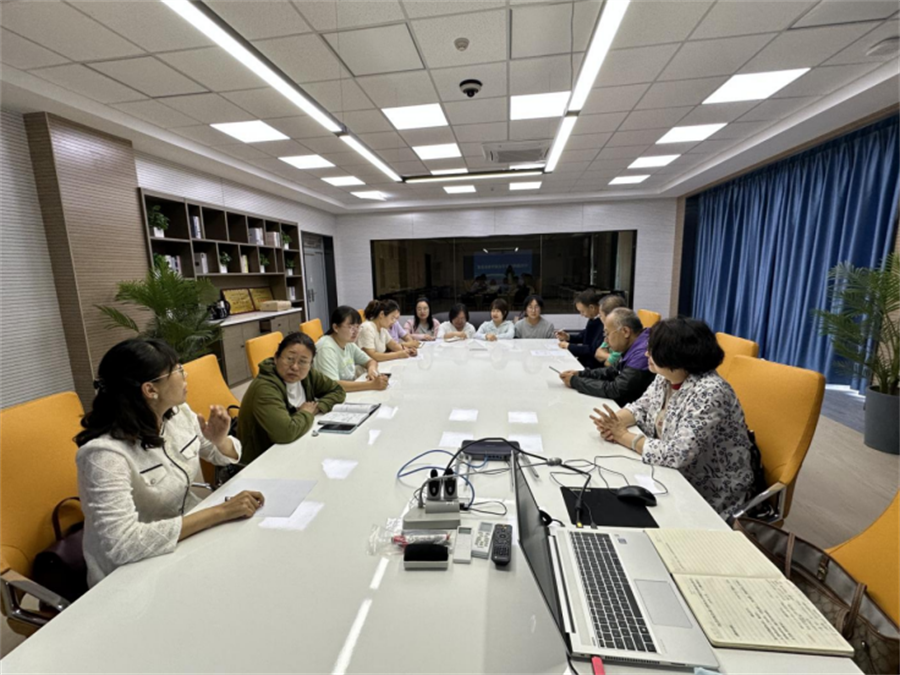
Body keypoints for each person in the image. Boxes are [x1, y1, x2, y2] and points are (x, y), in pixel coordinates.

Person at [75, 338, 263, 586]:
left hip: (187, 540)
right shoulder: (104, 455)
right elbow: (123, 544)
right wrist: (221, 512)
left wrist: (219, 440)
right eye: (178, 370)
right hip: (133, 575)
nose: (186, 376)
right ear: (150, 390)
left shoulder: (178, 413)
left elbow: (220, 455)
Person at [590, 317, 754, 518]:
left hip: (707, 491)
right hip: (669, 476)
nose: (646, 354)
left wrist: (622, 435)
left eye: (653, 350)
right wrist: (612, 423)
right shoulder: (666, 376)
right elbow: (642, 407)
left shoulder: (710, 392)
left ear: (676, 356)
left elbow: (677, 454)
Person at [238, 332, 346, 464]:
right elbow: (285, 432)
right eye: (289, 359)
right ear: (276, 358)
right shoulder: (264, 388)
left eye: (303, 362)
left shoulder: (308, 375)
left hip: (297, 448)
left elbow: (338, 391)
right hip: (261, 461)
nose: (295, 367)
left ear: (310, 364)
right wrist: (306, 413)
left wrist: (316, 408)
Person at [559, 308, 654, 406]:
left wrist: (575, 382)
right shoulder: (635, 343)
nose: (606, 339)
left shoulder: (642, 353)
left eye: (607, 333)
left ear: (625, 331)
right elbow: (612, 371)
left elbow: (616, 390)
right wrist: (581, 374)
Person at [314, 305, 388, 393]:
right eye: (351, 327)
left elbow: (370, 361)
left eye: (357, 327)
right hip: (330, 397)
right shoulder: (325, 348)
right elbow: (333, 385)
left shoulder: (348, 343)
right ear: (336, 327)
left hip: (347, 393)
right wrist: (371, 385)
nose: (355, 331)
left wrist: (371, 369)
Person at [556, 289, 605, 369]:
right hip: (585, 361)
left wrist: (569, 346)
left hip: (593, 366)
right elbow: (585, 335)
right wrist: (568, 337)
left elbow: (593, 350)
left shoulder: (604, 323)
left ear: (592, 307)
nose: (581, 315)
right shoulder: (593, 319)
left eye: (582, 311)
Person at [594, 294, 629, 367]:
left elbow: (608, 364)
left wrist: (606, 356)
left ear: (609, 316)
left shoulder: (620, 333)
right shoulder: (609, 331)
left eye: (601, 315)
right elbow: (598, 354)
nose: (599, 318)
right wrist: (609, 356)